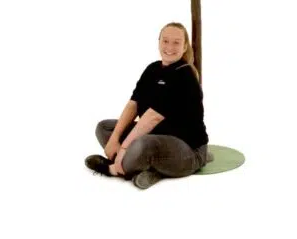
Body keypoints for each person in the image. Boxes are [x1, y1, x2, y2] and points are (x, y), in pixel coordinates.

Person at [85, 22, 212, 189]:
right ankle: (149, 168)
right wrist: (114, 139)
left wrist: (124, 148)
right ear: (159, 42)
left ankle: (113, 169)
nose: (169, 47)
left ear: (184, 47)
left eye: (176, 42)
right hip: (155, 136)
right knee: (104, 128)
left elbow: (152, 117)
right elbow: (133, 104)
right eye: (165, 41)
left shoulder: (185, 75)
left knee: (143, 144)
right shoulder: (152, 69)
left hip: (188, 149)